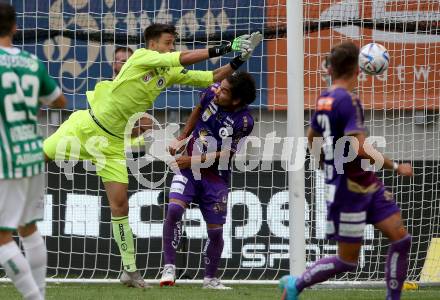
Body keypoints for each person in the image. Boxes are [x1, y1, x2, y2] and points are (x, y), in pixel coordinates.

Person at [43, 23, 262, 288]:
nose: (172, 47)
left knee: (120, 206)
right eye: (168, 42)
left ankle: (129, 270)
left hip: (112, 144)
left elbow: (210, 77)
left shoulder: (166, 72)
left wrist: (237, 60)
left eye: (173, 43)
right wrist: (223, 46)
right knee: (36, 160)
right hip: (85, 127)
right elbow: (180, 57)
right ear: (153, 44)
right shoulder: (141, 57)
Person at [279, 41, 413, 300]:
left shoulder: (325, 98)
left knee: (401, 239)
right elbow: (359, 147)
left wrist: (321, 159)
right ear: (359, 70)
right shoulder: (349, 101)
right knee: (347, 261)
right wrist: (396, 166)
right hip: (349, 191)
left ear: (330, 70)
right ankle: (296, 283)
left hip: (366, 183)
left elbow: (311, 135)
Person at [160, 71, 256, 289]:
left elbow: (226, 154)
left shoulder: (243, 121)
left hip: (215, 177)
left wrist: (191, 159)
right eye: (220, 86)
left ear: (237, 99)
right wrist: (182, 137)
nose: (217, 91)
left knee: (215, 231)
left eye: (224, 91)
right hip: (189, 171)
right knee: (174, 210)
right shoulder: (211, 92)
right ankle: (169, 268)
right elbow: (198, 110)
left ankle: (210, 279)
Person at [0, 3, 66, 300]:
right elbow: (59, 101)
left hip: (4, 158)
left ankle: (34, 298)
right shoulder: (29, 61)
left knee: (2, 238)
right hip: (31, 152)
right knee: (28, 228)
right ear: (15, 27)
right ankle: (40, 293)